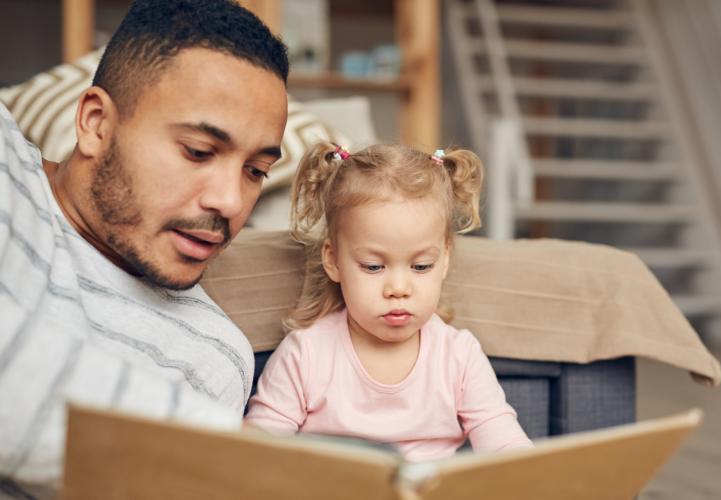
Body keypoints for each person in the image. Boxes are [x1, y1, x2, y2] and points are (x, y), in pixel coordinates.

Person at [0, 0, 288, 493]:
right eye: (198, 152)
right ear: (95, 123)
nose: (230, 201)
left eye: (255, 171)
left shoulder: (211, 356)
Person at [245, 143, 532, 461]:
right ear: (334, 260)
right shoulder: (306, 354)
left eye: (421, 266)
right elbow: (257, 451)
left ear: (445, 260)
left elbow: (505, 445)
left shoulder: (459, 355)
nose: (398, 288)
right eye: (373, 266)